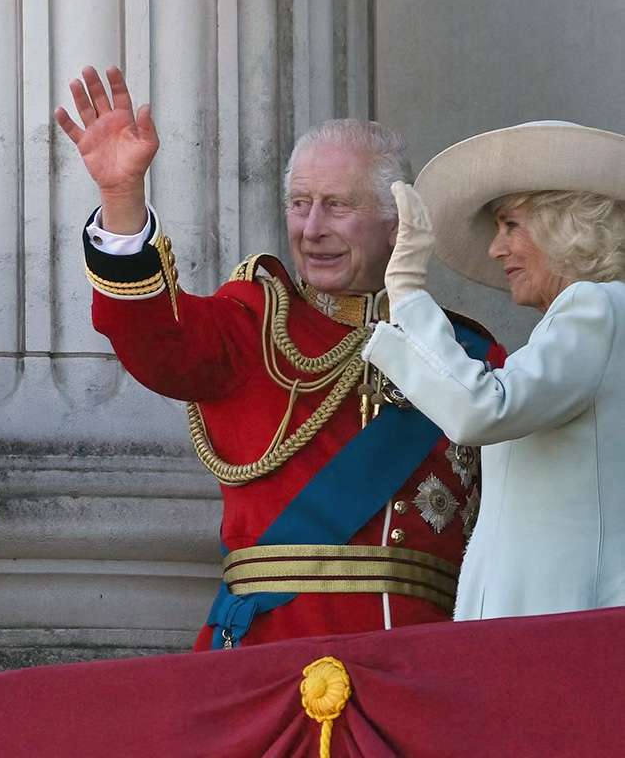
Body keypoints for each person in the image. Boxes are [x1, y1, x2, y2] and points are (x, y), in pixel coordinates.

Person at [55, 65, 504, 649]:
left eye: (337, 206)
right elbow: (153, 338)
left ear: (399, 222)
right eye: (299, 204)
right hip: (271, 659)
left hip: (426, 666)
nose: (311, 228)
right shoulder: (255, 321)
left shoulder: (470, 354)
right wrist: (121, 199)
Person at [365, 121, 625, 619]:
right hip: (549, 622)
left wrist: (409, 295)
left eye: (510, 225)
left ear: (565, 225)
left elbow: (480, 409)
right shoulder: (587, 323)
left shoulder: (595, 309)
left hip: (567, 625)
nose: (495, 248)